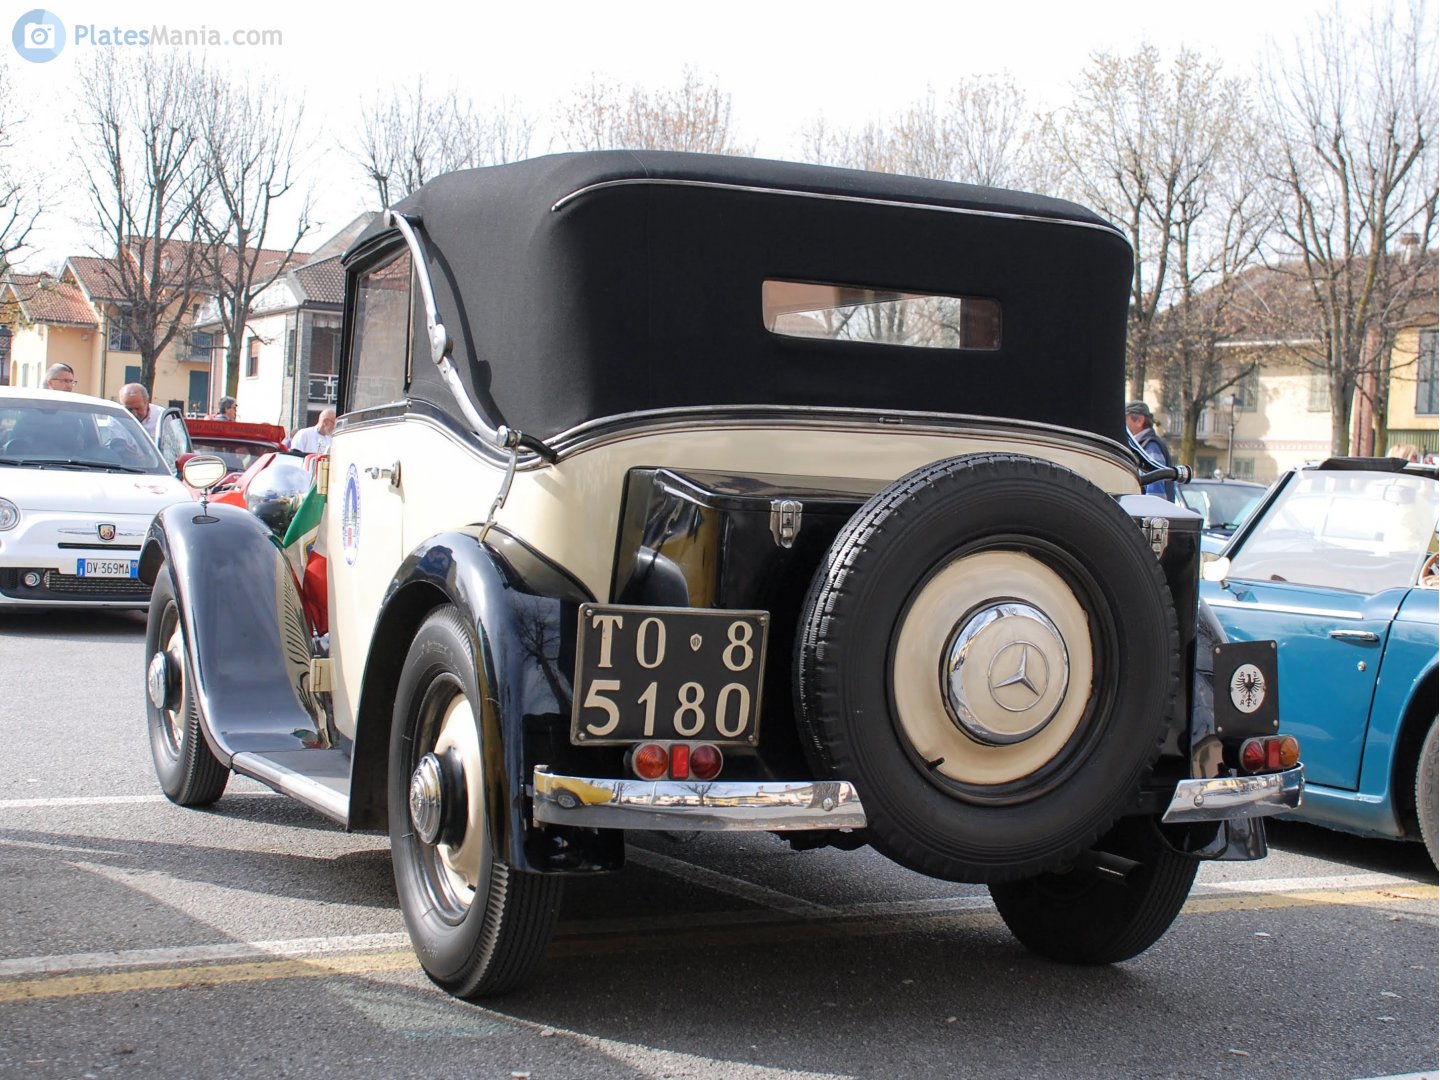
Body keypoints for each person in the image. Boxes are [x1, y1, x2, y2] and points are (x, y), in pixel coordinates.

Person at [1124, 400, 1177, 499]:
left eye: (1125, 419)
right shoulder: (1142, 446)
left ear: (1139, 421)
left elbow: (1156, 493)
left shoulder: (1150, 448)